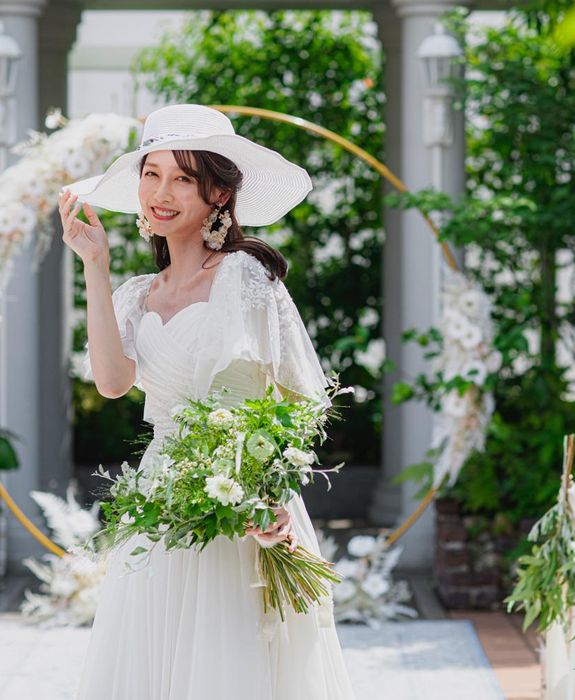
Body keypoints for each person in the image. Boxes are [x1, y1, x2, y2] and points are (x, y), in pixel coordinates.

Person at [59, 103, 356, 699]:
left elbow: (300, 399)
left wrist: (268, 491)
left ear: (218, 193)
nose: (159, 193)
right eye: (151, 173)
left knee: (233, 665)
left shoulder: (245, 276)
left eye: (182, 178)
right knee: (154, 661)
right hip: (160, 502)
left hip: (245, 505)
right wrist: (95, 263)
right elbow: (113, 382)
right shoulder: (138, 294)